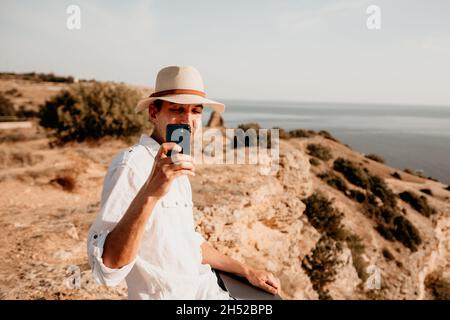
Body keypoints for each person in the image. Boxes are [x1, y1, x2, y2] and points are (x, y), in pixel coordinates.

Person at [87, 66, 280, 299]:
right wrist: (150, 194)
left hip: (207, 289)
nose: (188, 121)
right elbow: (108, 269)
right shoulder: (131, 165)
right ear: (153, 113)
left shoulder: (176, 160)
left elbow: (188, 242)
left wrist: (248, 271)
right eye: (177, 109)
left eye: (196, 111)